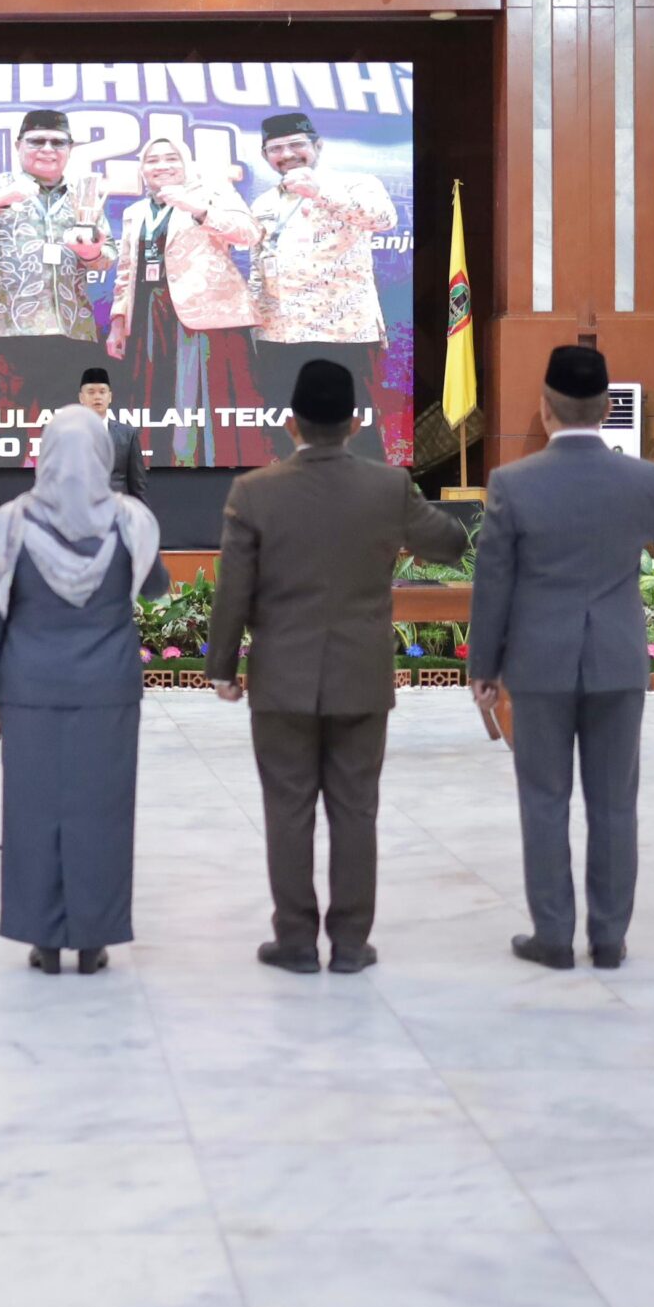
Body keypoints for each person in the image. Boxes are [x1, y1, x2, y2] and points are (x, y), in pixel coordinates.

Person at [208, 359, 468, 973]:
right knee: (356, 811)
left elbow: (233, 589)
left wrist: (221, 667)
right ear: (355, 424)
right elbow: (452, 543)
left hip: (281, 680)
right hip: (361, 678)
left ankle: (296, 942)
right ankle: (351, 944)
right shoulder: (388, 488)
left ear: (290, 424)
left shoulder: (254, 491)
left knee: (287, 811)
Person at [468, 345, 654, 971]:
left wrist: (484, 669)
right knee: (615, 804)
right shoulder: (643, 479)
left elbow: (493, 583)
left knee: (544, 800)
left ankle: (552, 936)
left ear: (545, 408)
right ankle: (608, 939)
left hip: (538, 665)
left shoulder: (513, 483)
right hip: (618, 663)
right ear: (605, 409)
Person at [0, 404, 168, 975]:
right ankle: (92, 941)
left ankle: (44, 941)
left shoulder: (11, 522)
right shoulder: (130, 522)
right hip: (108, 691)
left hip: (29, 689)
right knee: (101, 813)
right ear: (104, 456)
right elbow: (156, 586)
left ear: (45, 455)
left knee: (33, 813)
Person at [108, 135, 270, 468]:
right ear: (142, 169)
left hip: (206, 315)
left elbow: (249, 233)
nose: (162, 166)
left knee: (200, 397)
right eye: (152, 160)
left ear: (185, 163)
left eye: (171, 158)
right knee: (157, 395)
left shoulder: (213, 193)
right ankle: (156, 467)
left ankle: (208, 469)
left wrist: (198, 209)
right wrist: (118, 322)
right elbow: (126, 270)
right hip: (149, 313)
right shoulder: (135, 212)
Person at [246, 111, 395, 461]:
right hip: (278, 333)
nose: (287, 154)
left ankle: (366, 492)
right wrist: (253, 319)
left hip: (341, 331)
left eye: (296, 145)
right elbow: (258, 266)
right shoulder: (263, 202)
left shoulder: (356, 184)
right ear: (265, 155)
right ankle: (294, 488)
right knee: (284, 425)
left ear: (318, 145)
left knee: (353, 423)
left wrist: (319, 192)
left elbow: (383, 219)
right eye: (275, 148)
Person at [0, 108, 113, 413]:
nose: (47, 149)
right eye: (37, 141)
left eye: (57, 142)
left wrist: (92, 254)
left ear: (70, 149)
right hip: (2, 333)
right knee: (5, 429)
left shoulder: (83, 195)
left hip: (69, 332)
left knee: (67, 428)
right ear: (18, 145)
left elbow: (107, 257)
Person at [77, 366, 146, 500]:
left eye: (102, 392)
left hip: (116, 508)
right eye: (91, 392)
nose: (97, 397)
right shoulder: (68, 435)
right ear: (81, 398)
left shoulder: (128, 434)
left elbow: (138, 486)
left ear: (110, 397)